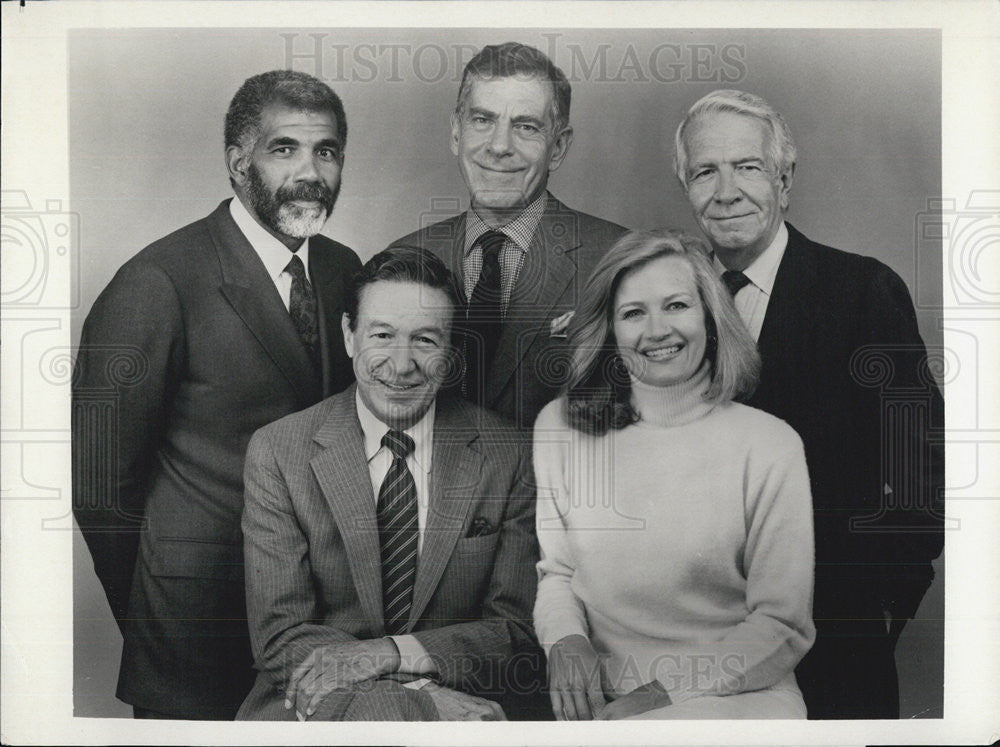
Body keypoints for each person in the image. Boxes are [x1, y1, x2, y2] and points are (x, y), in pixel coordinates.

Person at [72, 70, 361, 720]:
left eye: (327, 150)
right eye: (284, 149)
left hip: (323, 626)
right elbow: (97, 486)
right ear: (237, 163)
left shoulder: (345, 270)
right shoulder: (158, 282)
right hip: (195, 633)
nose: (310, 171)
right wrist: (158, 608)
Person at [672, 89, 945, 718]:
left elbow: (914, 468)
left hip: (834, 639)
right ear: (686, 185)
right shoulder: (669, 307)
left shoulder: (862, 290)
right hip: (693, 641)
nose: (727, 190)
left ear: (784, 179)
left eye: (748, 167)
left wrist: (877, 606)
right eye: (705, 171)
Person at [236, 247, 542, 721]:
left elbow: (515, 632)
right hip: (319, 704)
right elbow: (282, 636)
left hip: (470, 700)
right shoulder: (279, 451)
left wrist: (393, 653)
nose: (401, 366)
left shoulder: (509, 453)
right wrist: (419, 698)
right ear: (349, 336)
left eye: (425, 340)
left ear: (452, 351)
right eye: (382, 335)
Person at [533, 230, 816, 719]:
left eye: (677, 306)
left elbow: (782, 625)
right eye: (633, 313)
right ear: (609, 329)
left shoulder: (771, 445)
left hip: (741, 694)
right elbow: (558, 572)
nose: (657, 330)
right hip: (602, 694)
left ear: (710, 315)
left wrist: (659, 695)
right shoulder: (561, 427)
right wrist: (565, 639)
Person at [390, 41, 627, 430]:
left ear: (558, 147)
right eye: (482, 120)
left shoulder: (618, 259)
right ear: (456, 132)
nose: (499, 147)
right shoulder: (405, 257)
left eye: (526, 127)